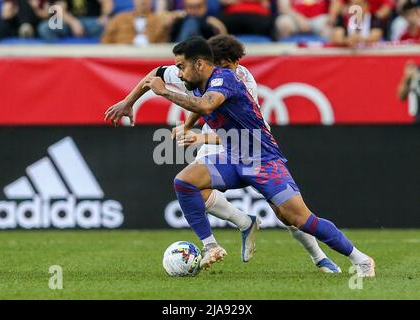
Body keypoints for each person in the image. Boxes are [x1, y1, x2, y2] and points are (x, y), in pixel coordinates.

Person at [105, 35, 346, 274]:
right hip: (214, 134)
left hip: (248, 143)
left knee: (286, 214)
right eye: (230, 64)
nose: (236, 68)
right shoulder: (190, 70)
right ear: (210, 63)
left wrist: (200, 136)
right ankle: (241, 224)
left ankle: (320, 257)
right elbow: (155, 75)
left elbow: (242, 132)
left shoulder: (240, 80)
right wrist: (128, 102)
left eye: (237, 63)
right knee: (192, 185)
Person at [101, 0, 176, 45]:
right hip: (122, 58)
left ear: (151, 1)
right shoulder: (119, 19)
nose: (143, 1)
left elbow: (162, 45)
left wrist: (167, 28)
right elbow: (106, 41)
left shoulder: (159, 21)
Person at [38, 0, 113, 42]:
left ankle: (97, 53)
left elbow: (107, 2)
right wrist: (73, 23)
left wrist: (105, 16)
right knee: (45, 28)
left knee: (106, 27)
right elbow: (59, 9)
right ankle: (59, 55)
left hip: (91, 22)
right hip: (68, 23)